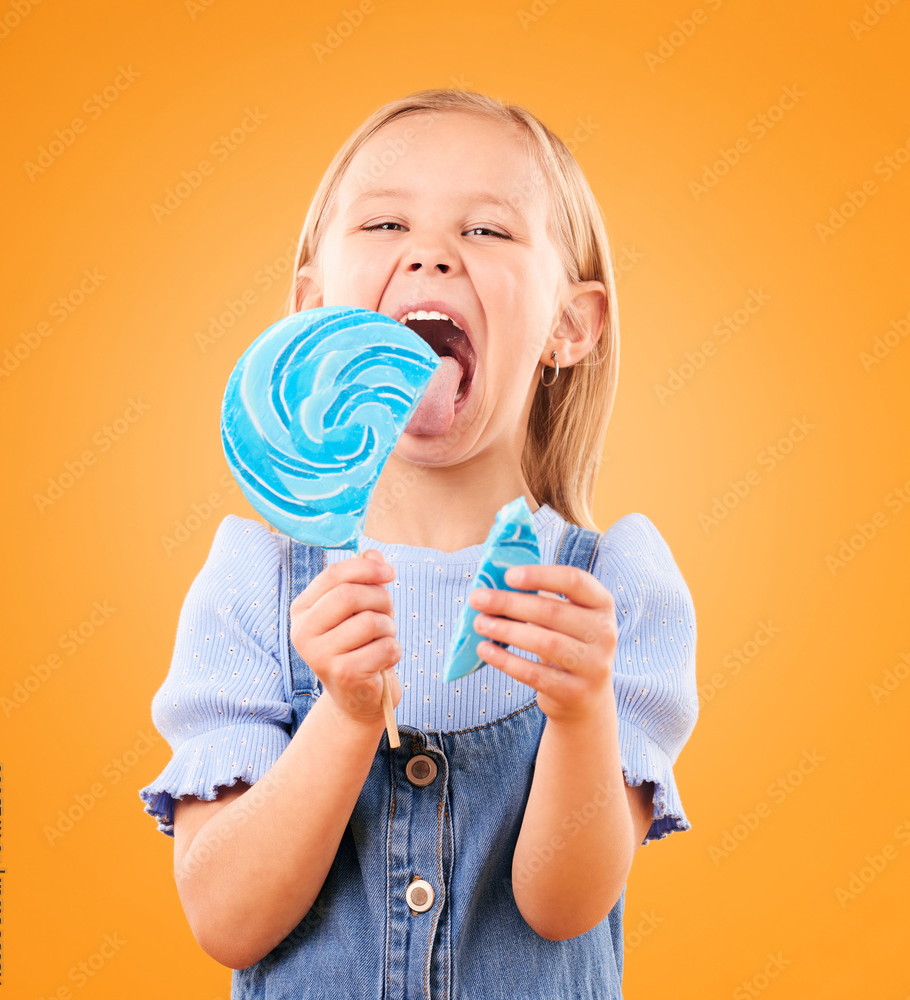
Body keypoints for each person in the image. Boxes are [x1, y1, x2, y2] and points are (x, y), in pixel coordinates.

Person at [138, 88, 698, 999]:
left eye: (488, 231)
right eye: (386, 221)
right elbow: (226, 919)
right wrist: (348, 715)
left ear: (570, 324)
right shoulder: (257, 582)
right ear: (312, 308)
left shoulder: (610, 593)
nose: (432, 250)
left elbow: (563, 908)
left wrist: (583, 707)